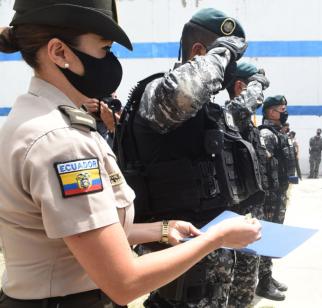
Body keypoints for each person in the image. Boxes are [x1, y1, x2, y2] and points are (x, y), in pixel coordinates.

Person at [0, 1, 261, 307]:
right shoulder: (62, 143)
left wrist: (161, 229)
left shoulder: (39, 119)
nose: (110, 62)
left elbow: (83, 231)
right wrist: (216, 237)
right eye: (104, 49)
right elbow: (124, 282)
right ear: (59, 53)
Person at [115, 8, 261, 307]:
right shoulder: (159, 94)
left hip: (212, 257)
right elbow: (184, 93)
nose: (230, 67)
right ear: (199, 51)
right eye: (227, 58)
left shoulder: (208, 110)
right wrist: (222, 53)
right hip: (180, 268)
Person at [224, 61, 270, 308]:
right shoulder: (230, 115)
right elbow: (238, 108)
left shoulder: (247, 124)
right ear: (241, 86)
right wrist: (258, 83)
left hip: (251, 208)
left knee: (248, 273)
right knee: (237, 276)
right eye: (257, 88)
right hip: (235, 212)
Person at [256, 95, 298, 301]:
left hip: (278, 193)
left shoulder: (277, 133)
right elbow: (263, 168)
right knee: (267, 237)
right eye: (282, 109)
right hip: (270, 197)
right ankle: (262, 284)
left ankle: (267, 275)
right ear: (271, 112)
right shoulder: (265, 134)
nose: (285, 112)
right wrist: (268, 197)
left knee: (272, 236)